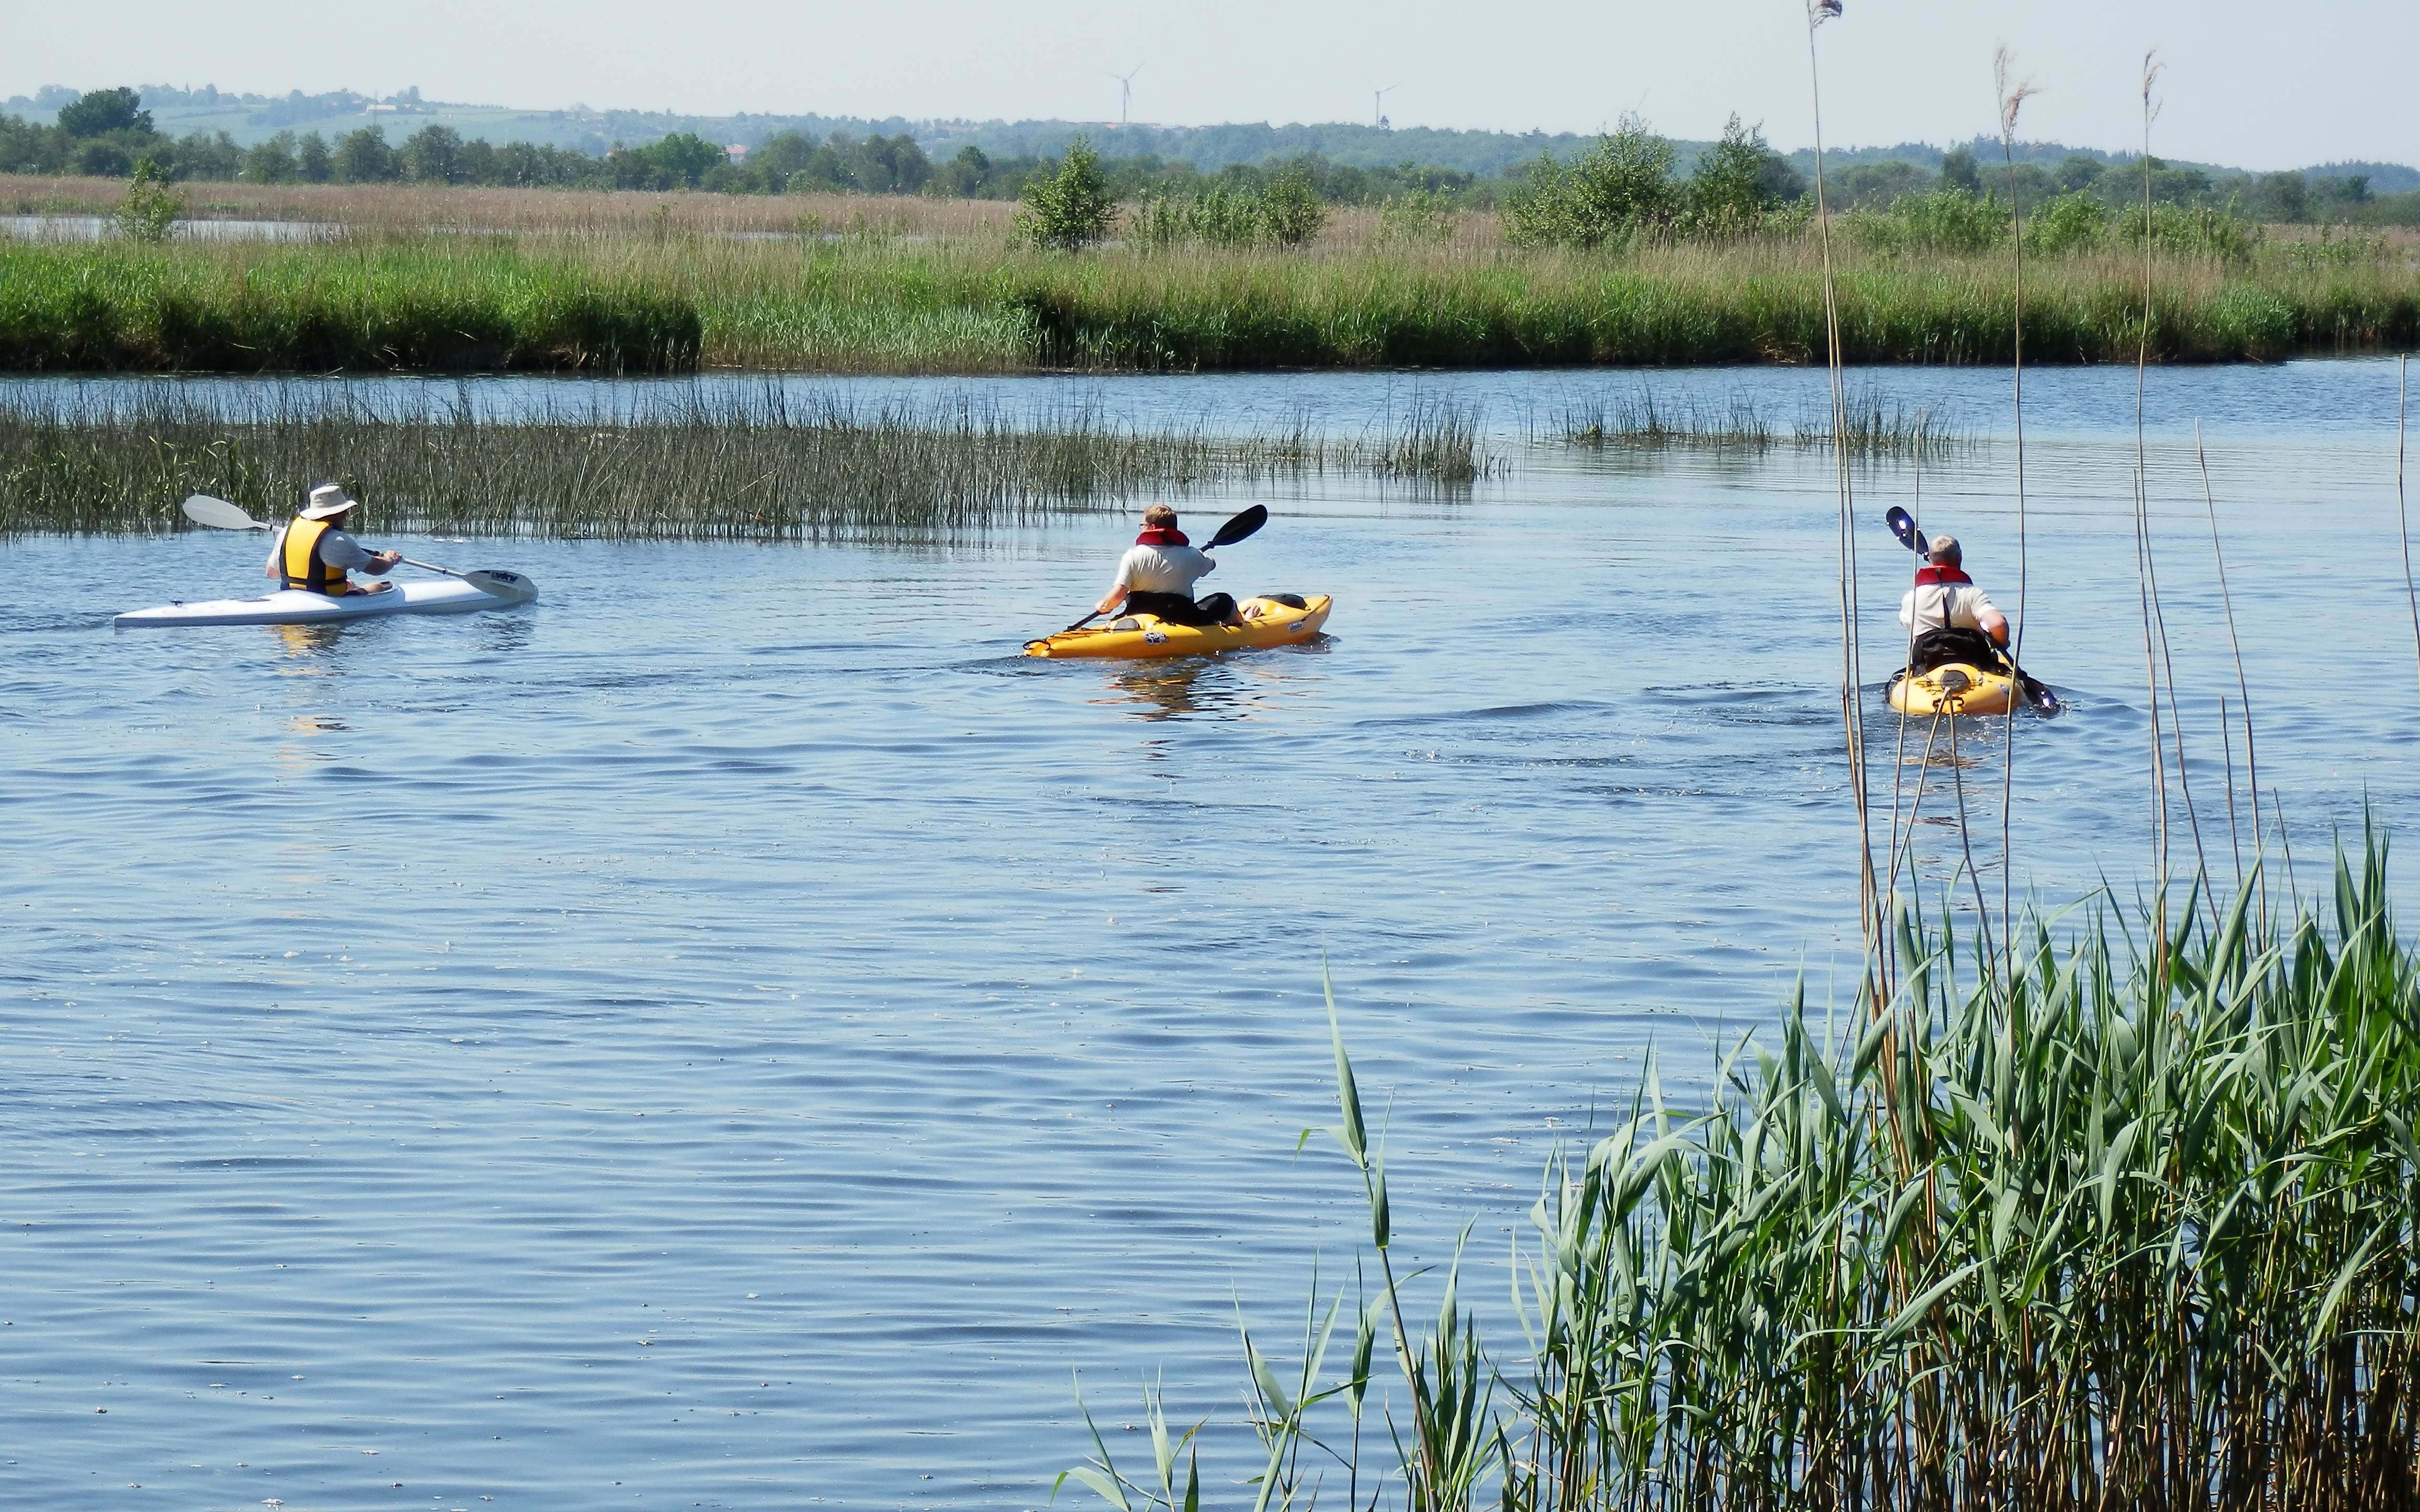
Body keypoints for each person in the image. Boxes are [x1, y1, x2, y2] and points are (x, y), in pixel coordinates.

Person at [1094, 505, 1238, 627]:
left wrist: (1104, 605)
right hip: (1182, 619)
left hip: (1138, 617)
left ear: (1152, 527)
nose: (1141, 529)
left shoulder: (1132, 555)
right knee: (1224, 600)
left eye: (1142, 526)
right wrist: (1199, 555)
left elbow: (1119, 594)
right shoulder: (1193, 555)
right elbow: (1211, 565)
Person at [1896, 533, 2008, 673]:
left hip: (1928, 665)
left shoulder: (1911, 598)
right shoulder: (1973, 594)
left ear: (1931, 559)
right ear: (1959, 558)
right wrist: (2002, 643)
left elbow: (1906, 622)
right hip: (1973, 663)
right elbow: (1998, 624)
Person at [264, 484, 402, 596]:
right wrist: (390, 560)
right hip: (325, 600)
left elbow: (271, 573)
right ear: (336, 513)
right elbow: (377, 568)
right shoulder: (338, 540)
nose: (346, 514)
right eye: (344, 511)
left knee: (349, 585)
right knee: (377, 586)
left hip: (290, 597)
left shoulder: (286, 532)